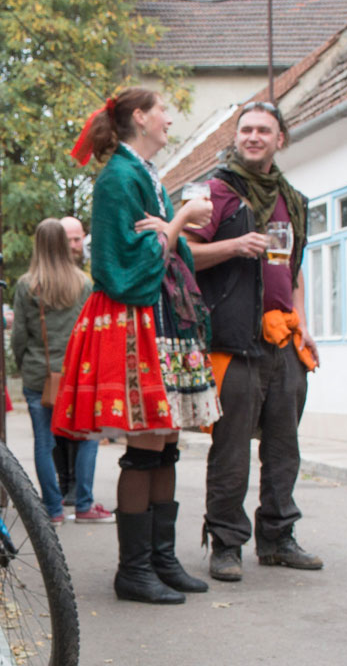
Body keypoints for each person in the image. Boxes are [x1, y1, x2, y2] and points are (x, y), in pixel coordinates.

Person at [53, 88, 218, 604]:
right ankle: (134, 570)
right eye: (163, 110)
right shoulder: (119, 177)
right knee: (146, 447)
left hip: (160, 318)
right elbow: (119, 265)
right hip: (136, 320)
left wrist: (170, 227)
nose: (169, 118)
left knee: (165, 444)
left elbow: (163, 247)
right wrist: (178, 221)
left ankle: (161, 561)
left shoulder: (143, 174)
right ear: (141, 118)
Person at [185, 101, 322, 582]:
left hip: (283, 338)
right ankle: (226, 544)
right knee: (231, 449)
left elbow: (293, 268)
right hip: (232, 337)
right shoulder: (216, 192)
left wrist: (303, 322)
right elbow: (183, 253)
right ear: (236, 137)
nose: (253, 137)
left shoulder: (292, 199)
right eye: (246, 129)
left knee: (284, 447)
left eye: (264, 130)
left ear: (280, 139)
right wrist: (235, 246)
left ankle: (278, 538)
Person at [13, 218, 111, 524]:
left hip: (39, 375)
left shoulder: (27, 285)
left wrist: (24, 365)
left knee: (44, 442)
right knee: (87, 438)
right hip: (77, 377)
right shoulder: (83, 284)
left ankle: (53, 510)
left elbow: (19, 336)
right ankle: (83, 505)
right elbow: (92, 331)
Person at [51, 215, 87, 504]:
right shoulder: (76, 280)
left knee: (76, 431)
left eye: (78, 239)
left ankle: (72, 488)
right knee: (61, 432)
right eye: (69, 240)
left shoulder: (89, 275)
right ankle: (68, 487)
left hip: (79, 364)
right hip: (59, 366)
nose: (75, 245)